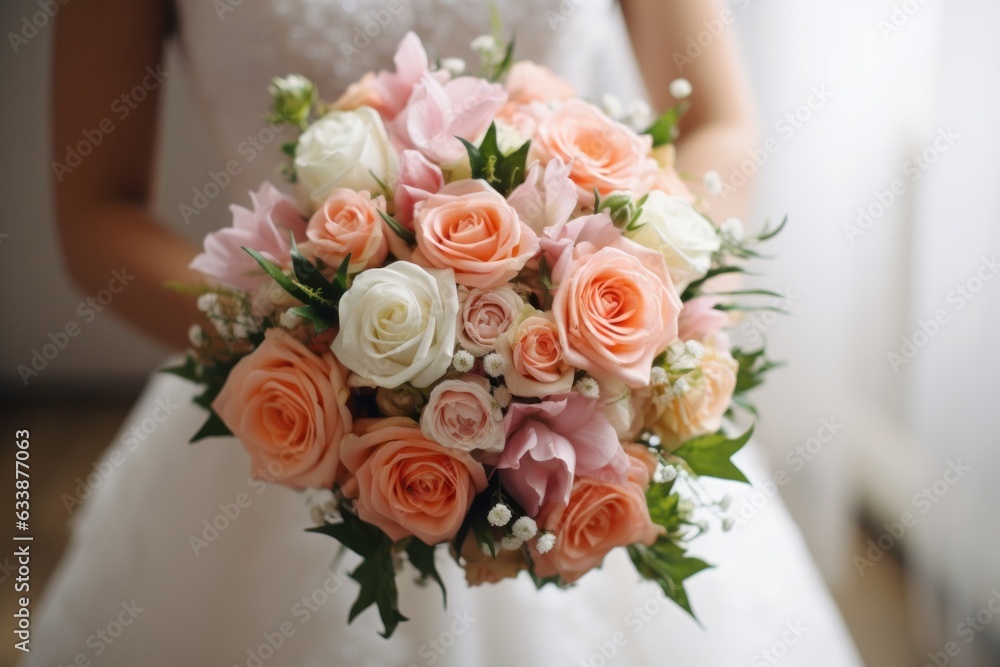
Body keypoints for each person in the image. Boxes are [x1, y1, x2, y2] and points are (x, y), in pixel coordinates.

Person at [32, 1, 861, 665]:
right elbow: (95, 212)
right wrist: (307, 340)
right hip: (286, 393)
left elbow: (720, 121)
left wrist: (632, 294)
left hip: (590, 392)